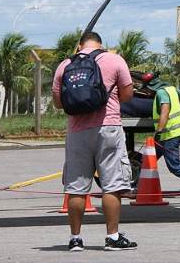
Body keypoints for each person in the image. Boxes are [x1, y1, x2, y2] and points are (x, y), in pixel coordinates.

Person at [52, 32, 136, 252]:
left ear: (79, 46)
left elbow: (59, 103)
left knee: (76, 188)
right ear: (101, 44)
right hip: (108, 127)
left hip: (77, 131)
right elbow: (127, 95)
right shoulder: (114, 60)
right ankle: (112, 237)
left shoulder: (64, 65)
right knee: (112, 185)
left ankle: (75, 239)